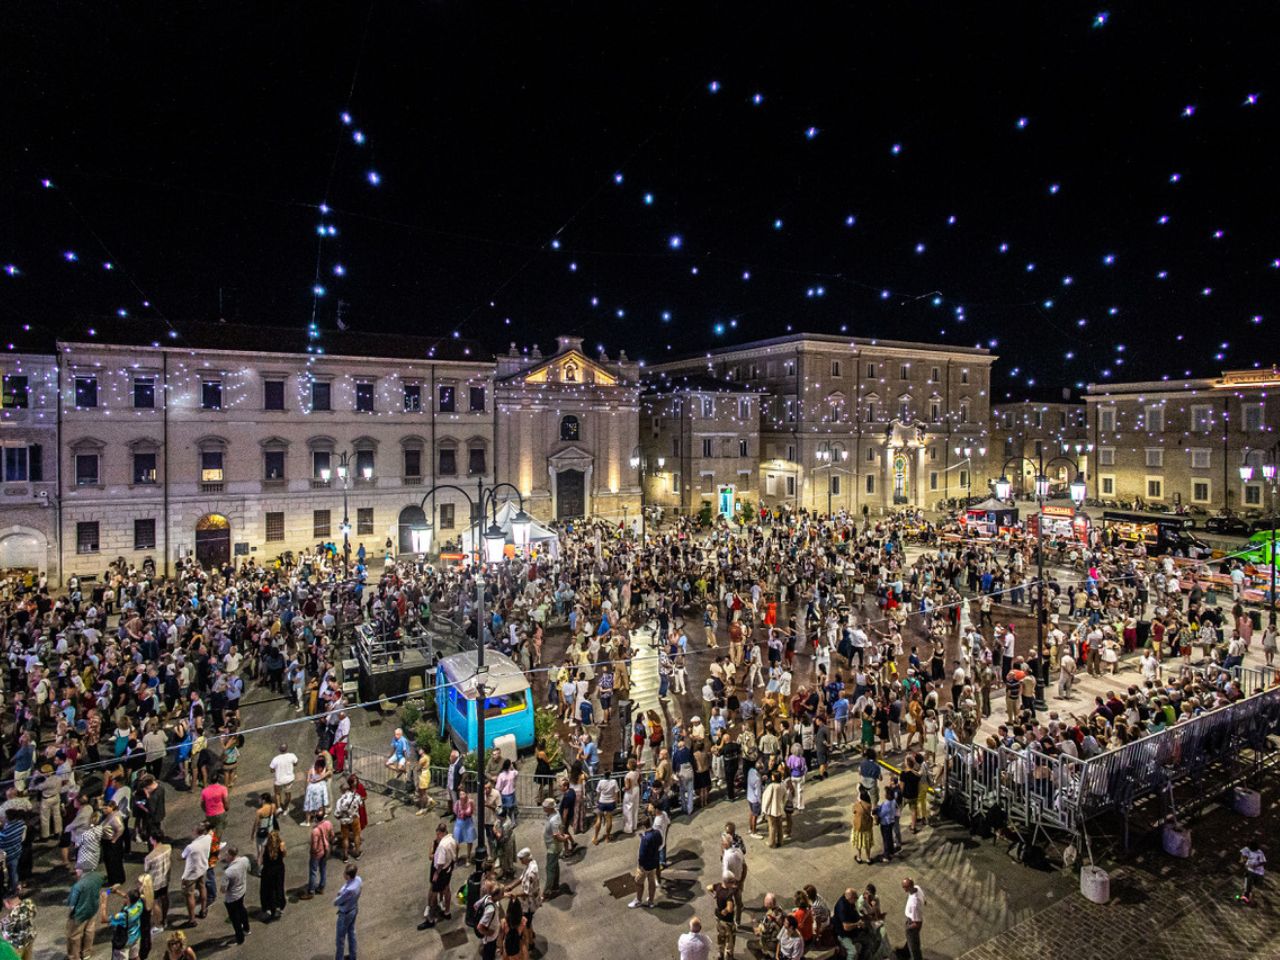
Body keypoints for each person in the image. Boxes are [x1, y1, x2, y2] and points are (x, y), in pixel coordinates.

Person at [419, 821, 457, 929]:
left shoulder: (442, 845)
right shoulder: (451, 839)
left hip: (441, 870)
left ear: (441, 833)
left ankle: (430, 918)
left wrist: (436, 874)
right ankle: (447, 912)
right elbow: (456, 848)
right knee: (446, 889)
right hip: (448, 868)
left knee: (433, 892)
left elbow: (439, 863)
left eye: (438, 833)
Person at [66, 868, 108, 960]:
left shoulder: (78, 886)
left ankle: (74, 957)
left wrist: (71, 915)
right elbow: (105, 880)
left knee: (74, 935)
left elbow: (72, 904)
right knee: (89, 930)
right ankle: (86, 953)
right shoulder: (97, 876)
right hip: (93, 908)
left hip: (80, 914)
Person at [180, 823, 212, 924]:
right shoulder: (208, 838)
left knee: (190, 895)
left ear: (197, 832)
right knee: (202, 887)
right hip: (202, 868)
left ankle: (192, 919)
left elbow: (182, 856)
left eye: (193, 830)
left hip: (191, 873)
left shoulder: (191, 846)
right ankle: (203, 910)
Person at [220, 844, 251, 945]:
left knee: (235, 918)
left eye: (226, 854)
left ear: (230, 856)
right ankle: (246, 929)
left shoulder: (228, 872)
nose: (225, 856)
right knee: (242, 909)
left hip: (232, 897)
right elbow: (249, 869)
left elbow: (223, 890)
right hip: (242, 891)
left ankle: (240, 938)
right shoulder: (245, 860)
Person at [628, 816, 661, 908]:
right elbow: (660, 843)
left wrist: (641, 866)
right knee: (652, 883)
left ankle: (638, 900)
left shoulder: (645, 839)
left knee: (638, 882)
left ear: (643, 827)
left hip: (645, 866)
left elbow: (642, 855)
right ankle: (651, 901)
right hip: (654, 863)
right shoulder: (657, 833)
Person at [705, 872, 737, 960]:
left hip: (718, 918)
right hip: (727, 921)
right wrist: (726, 910)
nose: (733, 883)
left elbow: (708, 887)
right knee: (730, 939)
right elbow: (730, 908)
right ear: (728, 882)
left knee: (721, 936)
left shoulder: (718, 886)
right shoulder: (729, 894)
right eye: (732, 882)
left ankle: (720, 953)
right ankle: (728, 956)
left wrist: (714, 895)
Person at [107, 889, 145, 960]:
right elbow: (128, 896)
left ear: (129, 899)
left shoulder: (123, 916)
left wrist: (103, 901)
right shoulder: (139, 904)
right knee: (135, 957)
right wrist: (117, 891)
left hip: (125, 941)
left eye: (126, 897)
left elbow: (103, 919)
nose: (125, 898)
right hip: (136, 936)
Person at [333, 863, 361, 960]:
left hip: (345, 914)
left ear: (348, 876)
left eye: (345, 873)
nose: (343, 874)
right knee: (351, 933)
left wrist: (339, 894)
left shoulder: (348, 890)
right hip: (354, 908)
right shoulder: (358, 880)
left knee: (340, 939)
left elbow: (337, 902)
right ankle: (353, 956)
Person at [1, 887, 36, 960]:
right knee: (28, 957)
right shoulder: (29, 905)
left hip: (18, 945)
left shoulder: (12, 917)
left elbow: (6, 935)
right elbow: (34, 913)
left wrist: (2, 924)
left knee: (17, 957)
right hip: (29, 938)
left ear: (8, 903)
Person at [259, 831, 287, 921]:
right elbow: (284, 854)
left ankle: (270, 908)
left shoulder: (265, 848)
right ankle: (281, 905)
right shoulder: (281, 845)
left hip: (268, 871)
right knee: (279, 888)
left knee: (269, 890)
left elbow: (260, 862)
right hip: (279, 870)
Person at [541, 798, 567, 896]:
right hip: (552, 845)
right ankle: (555, 886)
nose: (543, 808)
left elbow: (557, 836)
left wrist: (565, 839)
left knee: (550, 869)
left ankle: (547, 891)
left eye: (545, 807)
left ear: (550, 808)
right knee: (555, 866)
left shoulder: (553, 820)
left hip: (553, 847)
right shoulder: (554, 813)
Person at [334, 778, 364, 863]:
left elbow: (336, 814)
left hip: (344, 821)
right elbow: (361, 805)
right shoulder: (357, 796)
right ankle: (357, 853)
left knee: (345, 838)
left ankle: (345, 856)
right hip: (354, 819)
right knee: (357, 835)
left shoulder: (340, 800)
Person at [269, 744, 299, 811]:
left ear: (279, 749)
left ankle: (279, 807)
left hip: (279, 781)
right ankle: (285, 809)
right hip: (289, 780)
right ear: (287, 748)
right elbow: (296, 763)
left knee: (277, 793)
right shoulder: (292, 755)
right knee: (288, 794)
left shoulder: (275, 759)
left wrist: (276, 769)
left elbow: (271, 770)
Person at [901, 877, 924, 960]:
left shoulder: (914, 903)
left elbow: (917, 923)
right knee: (911, 941)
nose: (903, 889)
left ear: (909, 887)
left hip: (913, 924)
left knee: (914, 948)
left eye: (904, 887)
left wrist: (908, 928)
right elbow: (923, 899)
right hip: (912, 918)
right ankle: (905, 952)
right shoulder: (917, 888)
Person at [1239, 838, 1266, 904]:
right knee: (1247, 884)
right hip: (1250, 870)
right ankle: (1245, 898)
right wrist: (1243, 860)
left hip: (1258, 872)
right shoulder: (1246, 849)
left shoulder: (1260, 852)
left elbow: (1263, 862)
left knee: (1256, 886)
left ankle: (1251, 898)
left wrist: (1255, 866)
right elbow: (1242, 855)